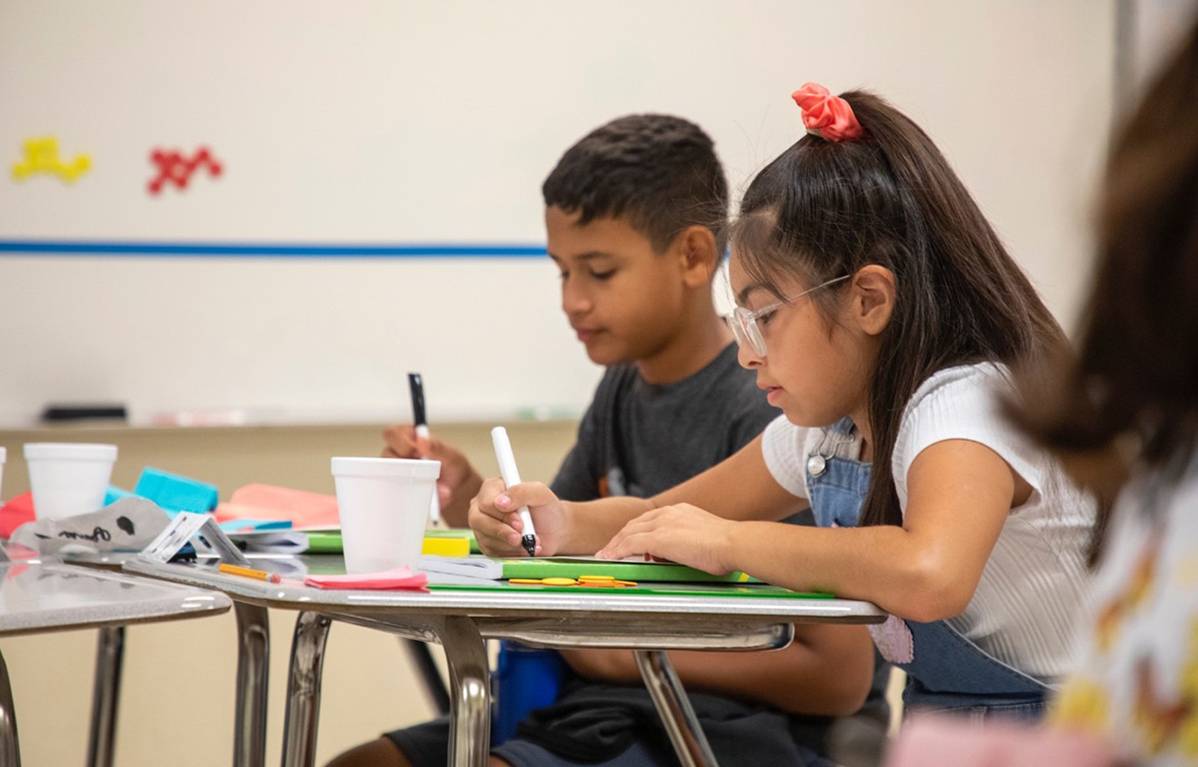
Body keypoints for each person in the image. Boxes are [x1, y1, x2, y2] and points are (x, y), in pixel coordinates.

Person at [472, 84, 1098, 719]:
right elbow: (668, 513)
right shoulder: (828, 434)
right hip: (950, 728)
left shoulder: (963, 406)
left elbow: (929, 571)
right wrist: (560, 524)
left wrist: (731, 543)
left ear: (869, 301)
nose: (747, 353)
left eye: (764, 317)